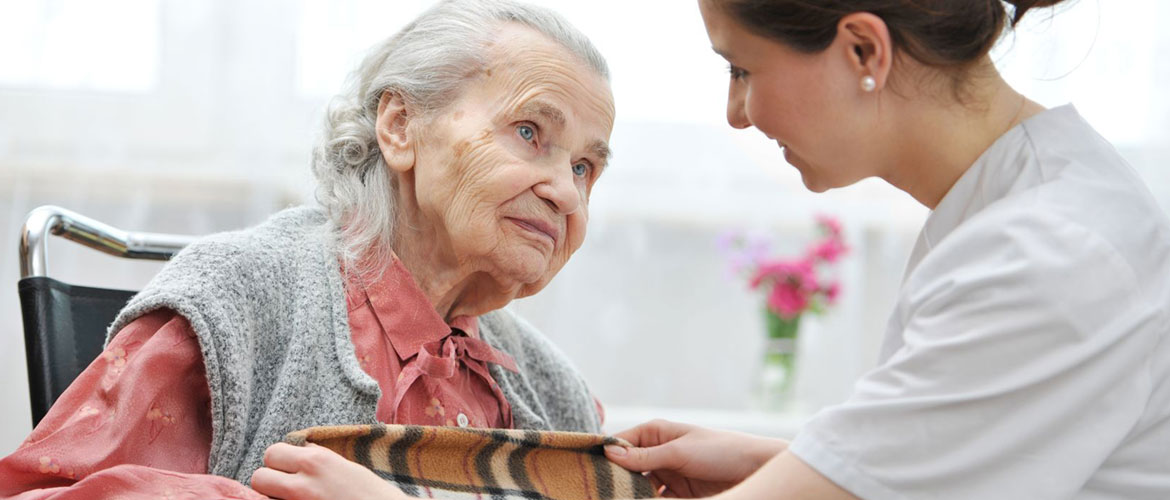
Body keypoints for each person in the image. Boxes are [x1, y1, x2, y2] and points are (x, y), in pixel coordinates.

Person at [241, 0, 1170, 499]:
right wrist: (789, 459)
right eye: (530, 135)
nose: (737, 112)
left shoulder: (1047, 255)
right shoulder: (252, 301)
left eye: (743, 68)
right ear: (398, 126)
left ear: (863, 52)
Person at [0, 0, 615, 498]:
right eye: (529, 132)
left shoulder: (555, 393)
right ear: (400, 126)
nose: (565, 191)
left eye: (586, 167)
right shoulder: (237, 303)